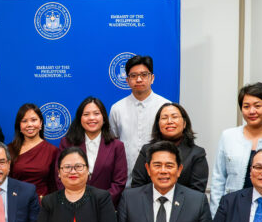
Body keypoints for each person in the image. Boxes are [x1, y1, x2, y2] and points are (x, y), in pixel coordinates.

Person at [209, 82, 262, 214]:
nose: (252, 111)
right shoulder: (228, 136)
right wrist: (216, 214)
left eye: (257, 106)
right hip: (233, 208)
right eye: (246, 106)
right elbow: (218, 179)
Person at [108, 55, 170, 185]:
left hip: (159, 178)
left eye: (144, 75)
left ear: (152, 78)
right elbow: (113, 144)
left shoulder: (166, 106)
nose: (139, 79)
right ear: (127, 80)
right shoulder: (117, 108)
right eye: (134, 76)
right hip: (125, 179)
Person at [59, 96, 127, 205]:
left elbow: (119, 182)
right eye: (86, 114)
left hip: (104, 206)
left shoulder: (116, 146)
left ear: (104, 118)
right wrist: (74, 201)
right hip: (72, 206)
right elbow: (59, 176)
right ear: (80, 118)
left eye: (96, 114)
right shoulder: (67, 143)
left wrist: (100, 203)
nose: (91, 118)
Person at [130, 103, 209, 192]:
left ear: (184, 123)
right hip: (149, 200)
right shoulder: (146, 150)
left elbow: (197, 192)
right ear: (158, 124)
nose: (169, 121)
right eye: (164, 118)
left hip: (184, 201)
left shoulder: (196, 153)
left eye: (174, 117)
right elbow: (137, 186)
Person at [7, 103, 60, 197]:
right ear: (19, 125)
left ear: (41, 123)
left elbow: (54, 185)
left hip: (43, 202)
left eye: (34, 120)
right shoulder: (9, 149)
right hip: (16, 201)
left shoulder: (53, 151)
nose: (29, 124)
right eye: (24, 121)